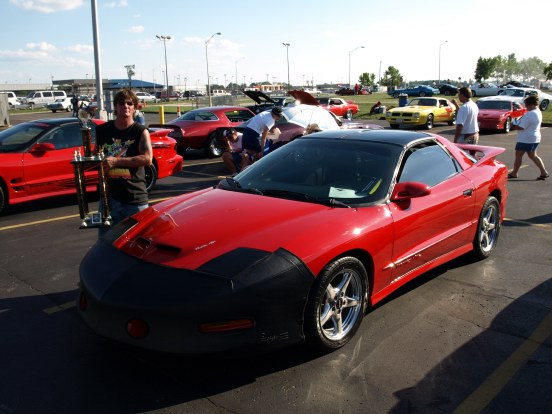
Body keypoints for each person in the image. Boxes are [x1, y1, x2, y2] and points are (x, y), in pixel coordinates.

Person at [95, 89, 153, 234]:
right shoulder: (102, 130)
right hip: (109, 198)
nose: (126, 106)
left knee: (138, 244)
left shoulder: (140, 131)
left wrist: (116, 161)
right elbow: (96, 156)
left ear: (134, 108)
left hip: (134, 198)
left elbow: (147, 159)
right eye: (122, 103)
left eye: (129, 103)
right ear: (115, 106)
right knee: (105, 243)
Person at [508, 95, 549, 180]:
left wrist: (512, 126)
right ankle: (543, 172)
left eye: (526, 105)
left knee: (519, 155)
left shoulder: (530, 114)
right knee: (533, 156)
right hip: (534, 137)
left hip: (526, 139)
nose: (526, 107)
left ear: (532, 105)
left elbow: (521, 127)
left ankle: (514, 173)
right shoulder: (538, 111)